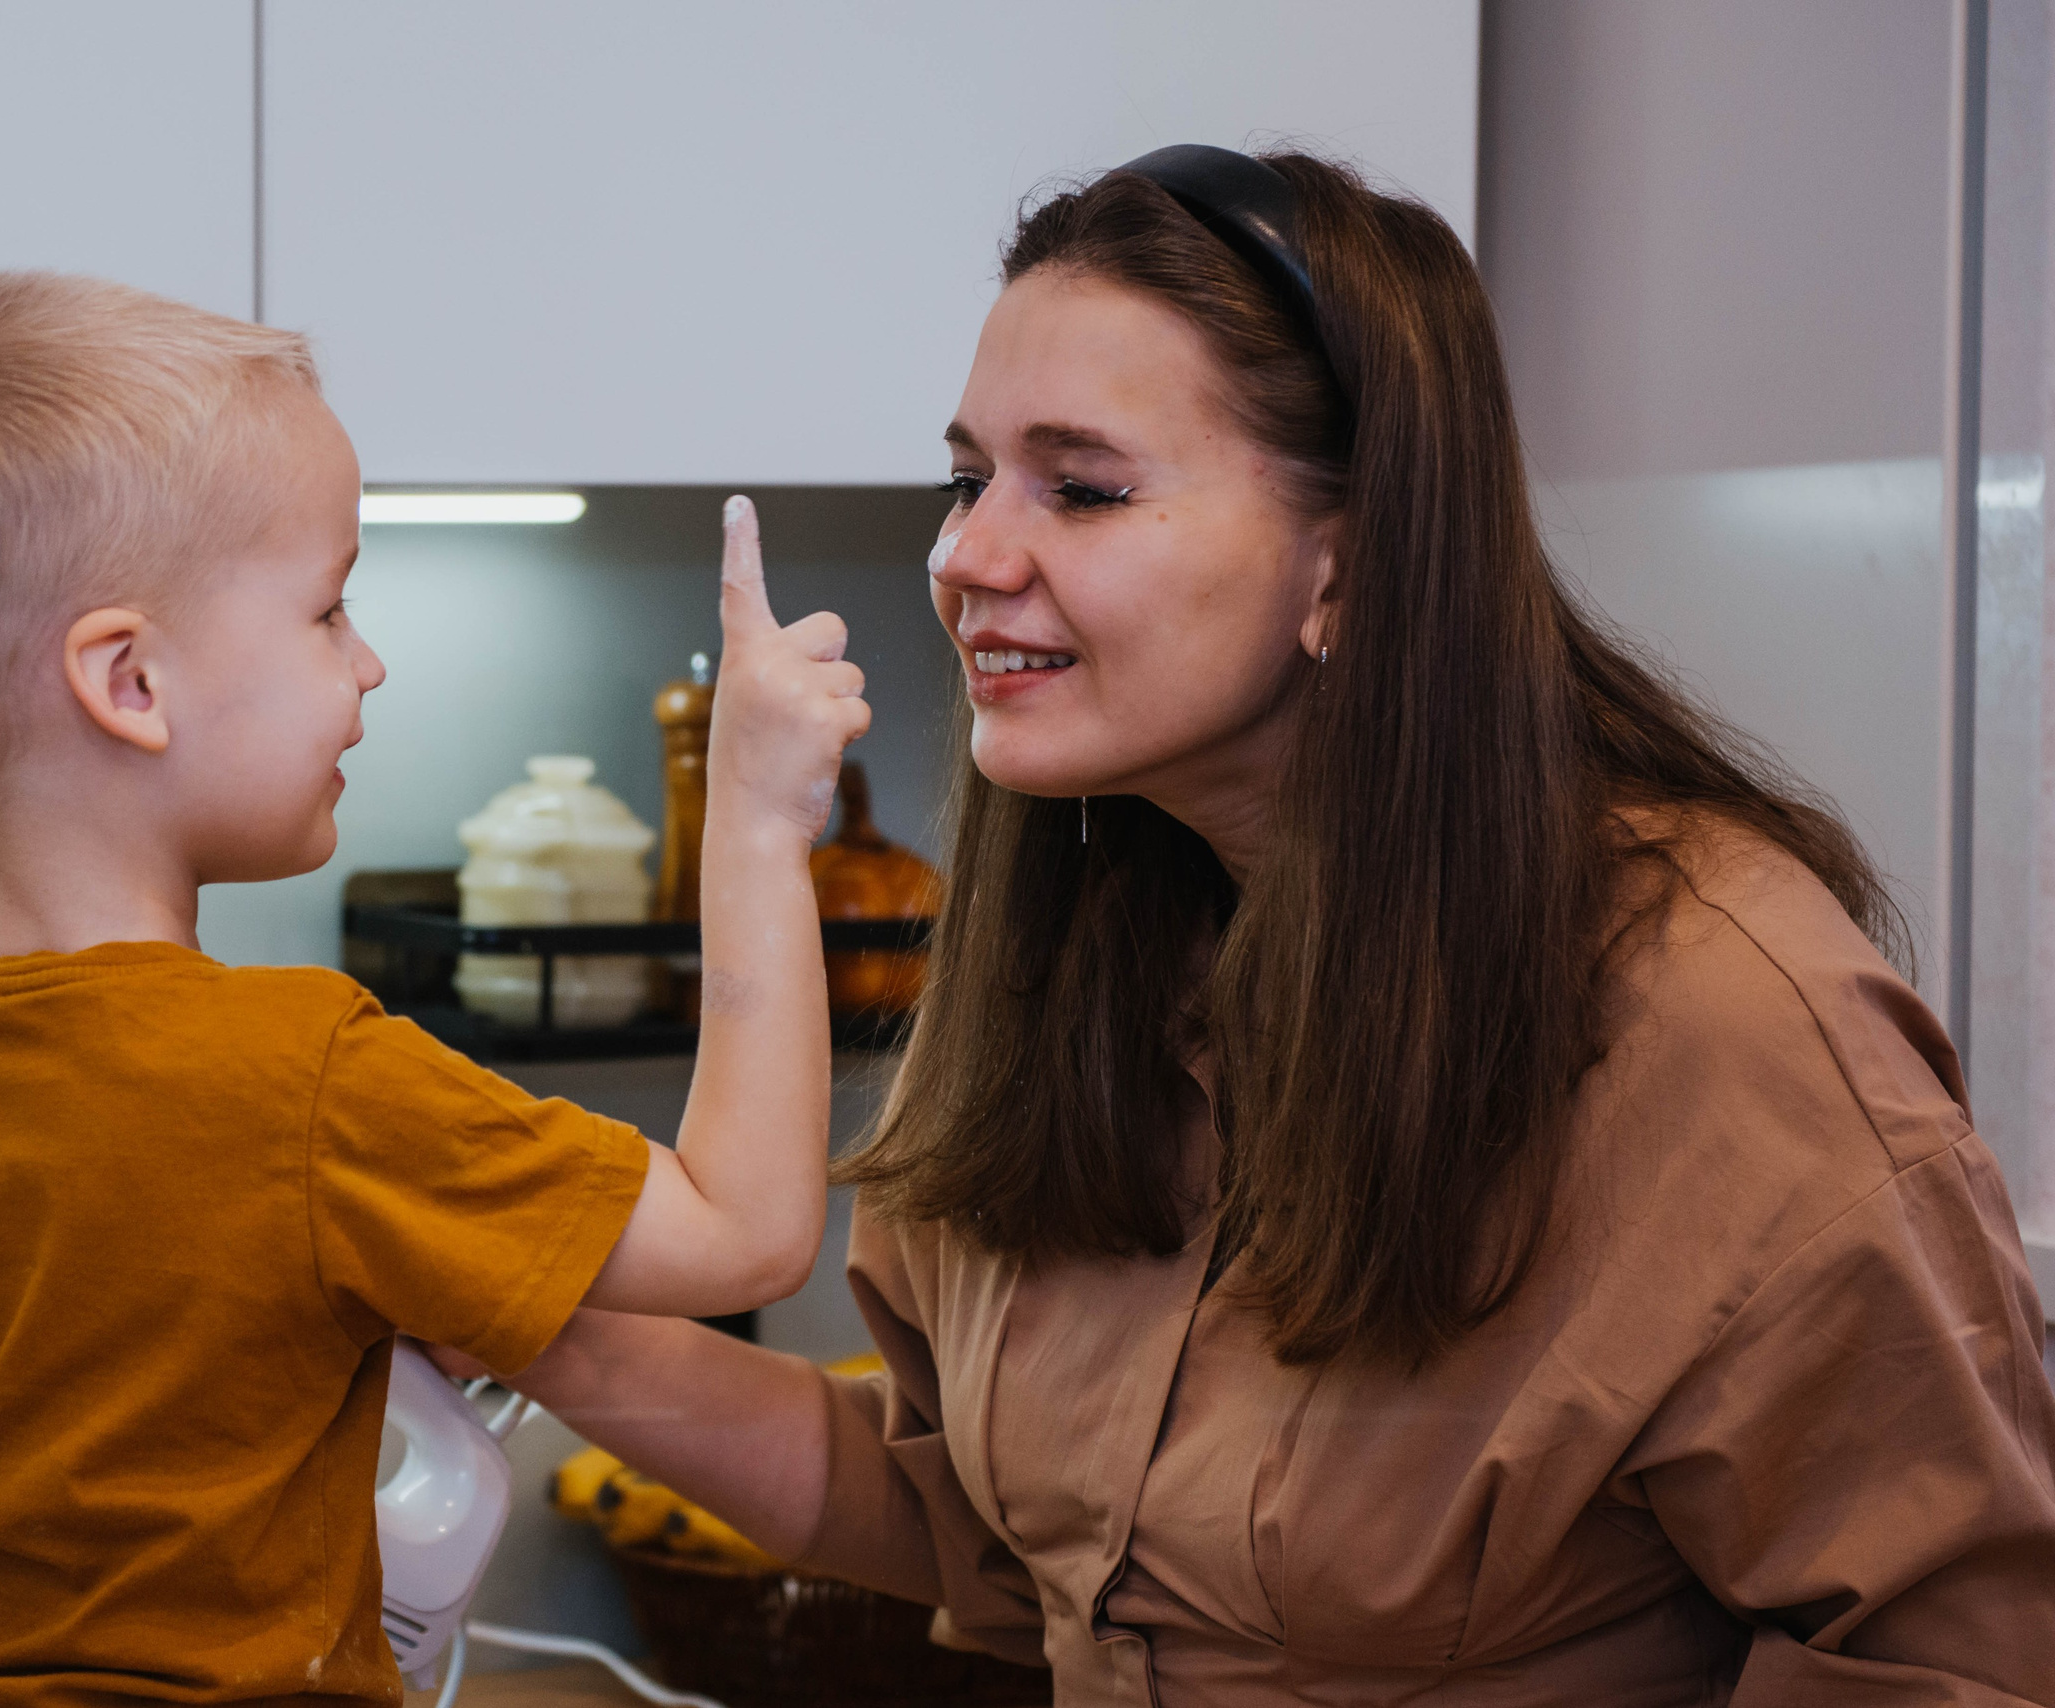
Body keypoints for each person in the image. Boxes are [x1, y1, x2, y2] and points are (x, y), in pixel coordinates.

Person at [460, 148, 2055, 1702]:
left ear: (1345, 568)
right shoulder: (1074, 954)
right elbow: (984, 1527)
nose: (963, 555)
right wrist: (509, 1294)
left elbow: (1958, 1655)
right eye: (967, 479)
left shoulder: (1722, 1020)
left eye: (1082, 489)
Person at [0, 273, 868, 1708]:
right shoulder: (311, 1081)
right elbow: (746, 1229)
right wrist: (755, 823)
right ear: (130, 681)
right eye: (327, 606)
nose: (368, 663)